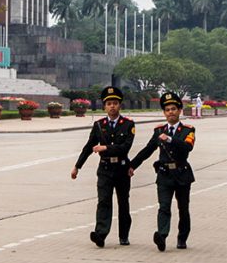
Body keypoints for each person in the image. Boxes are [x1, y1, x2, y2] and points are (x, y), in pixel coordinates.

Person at [129, 90, 196, 252]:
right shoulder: (159, 131)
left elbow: (188, 147)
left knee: (183, 208)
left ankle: (182, 238)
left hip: (181, 174)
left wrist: (171, 139)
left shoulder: (188, 130)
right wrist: (131, 166)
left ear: (179, 110)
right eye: (167, 110)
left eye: (173, 109)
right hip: (164, 175)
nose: (170, 112)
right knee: (164, 206)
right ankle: (162, 236)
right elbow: (147, 150)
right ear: (164, 113)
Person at [71, 85, 135, 248]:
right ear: (104, 106)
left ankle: (124, 235)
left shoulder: (128, 124)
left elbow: (125, 147)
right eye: (109, 103)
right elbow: (88, 146)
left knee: (123, 203)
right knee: (103, 201)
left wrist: (105, 148)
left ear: (120, 105)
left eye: (115, 102)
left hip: (121, 169)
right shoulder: (99, 125)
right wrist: (78, 166)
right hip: (105, 169)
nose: (112, 106)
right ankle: (100, 234)